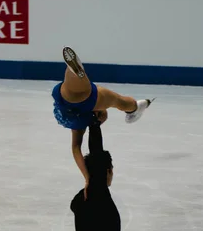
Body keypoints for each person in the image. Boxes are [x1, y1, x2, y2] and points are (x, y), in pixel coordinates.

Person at [52, 47, 154, 188]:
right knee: (73, 87)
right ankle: (73, 72)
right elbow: (75, 150)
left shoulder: (79, 124)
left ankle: (134, 109)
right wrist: (86, 178)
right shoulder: (75, 124)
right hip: (63, 95)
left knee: (120, 101)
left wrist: (88, 178)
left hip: (88, 100)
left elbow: (77, 149)